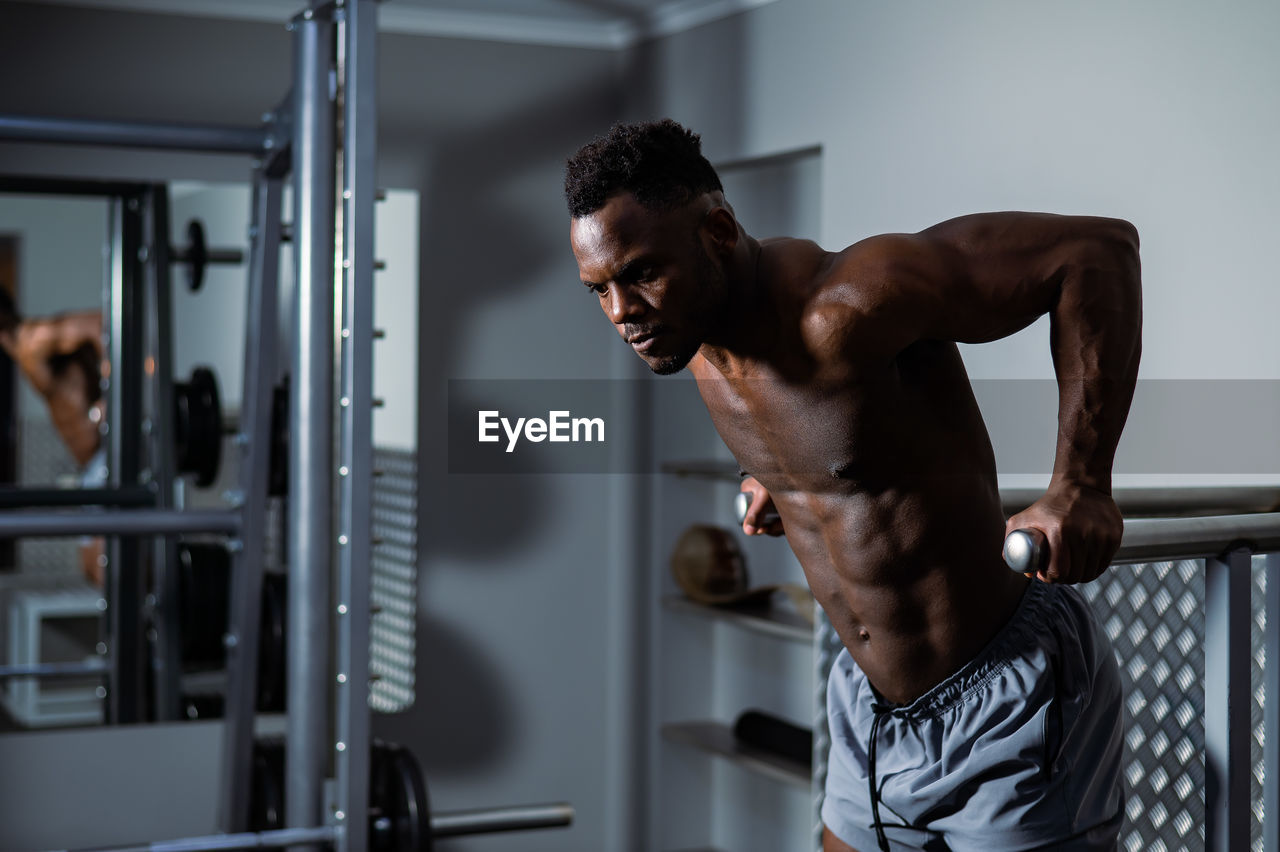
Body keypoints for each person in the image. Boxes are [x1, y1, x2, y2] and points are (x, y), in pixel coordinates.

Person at [565, 120, 1140, 851]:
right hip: (869, 707)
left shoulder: (855, 299)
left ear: (716, 230)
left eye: (641, 273)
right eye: (599, 290)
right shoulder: (697, 343)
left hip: (1005, 694)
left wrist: (1082, 483)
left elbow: (1097, 252)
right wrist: (772, 475)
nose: (621, 314)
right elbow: (830, 425)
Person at [0, 287, 108, 584]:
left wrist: (109, 398)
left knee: (107, 569)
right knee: (91, 569)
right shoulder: (23, 351)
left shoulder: (35, 337)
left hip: (107, 456)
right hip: (91, 467)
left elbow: (99, 324)